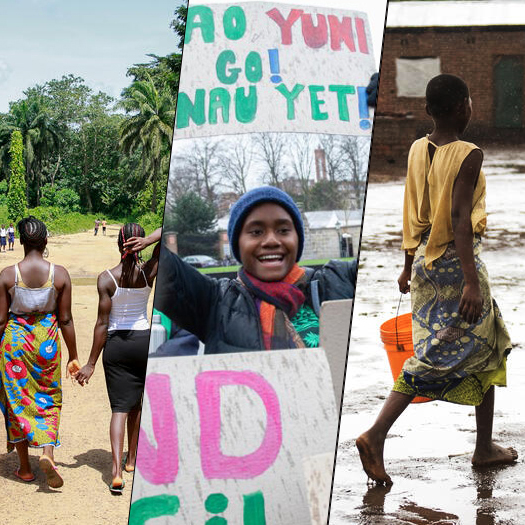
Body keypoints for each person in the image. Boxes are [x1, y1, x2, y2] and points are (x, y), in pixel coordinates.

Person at [356, 74, 516, 486]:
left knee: (487, 347)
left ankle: (484, 447)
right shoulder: (469, 153)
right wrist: (471, 283)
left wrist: (408, 264)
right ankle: (375, 434)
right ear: (465, 105)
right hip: (457, 264)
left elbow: (413, 210)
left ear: (428, 110)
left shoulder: (415, 149)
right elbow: (461, 220)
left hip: (426, 261)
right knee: (435, 355)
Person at [128, 187, 356, 354]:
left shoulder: (336, 281)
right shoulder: (215, 302)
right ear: (237, 244)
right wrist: (149, 240)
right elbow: (168, 272)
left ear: (298, 238)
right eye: (256, 232)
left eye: (283, 230)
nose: (271, 241)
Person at [75, 223, 159, 493]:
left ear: (119, 244)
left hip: (117, 346)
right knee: (137, 405)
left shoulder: (106, 279)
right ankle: (132, 460)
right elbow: (170, 233)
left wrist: (90, 364)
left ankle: (114, 472)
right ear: (139, 244)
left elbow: (101, 324)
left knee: (120, 409)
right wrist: (150, 242)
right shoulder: (149, 271)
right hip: (144, 343)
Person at [0, 217, 80, 488]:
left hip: (15, 344)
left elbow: (1, 320)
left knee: (17, 400)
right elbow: (66, 319)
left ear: (21, 241)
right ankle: (47, 453)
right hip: (46, 343)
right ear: (45, 241)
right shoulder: (60, 274)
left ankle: (24, 468)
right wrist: (73, 355)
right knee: (48, 397)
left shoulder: (9, 275)